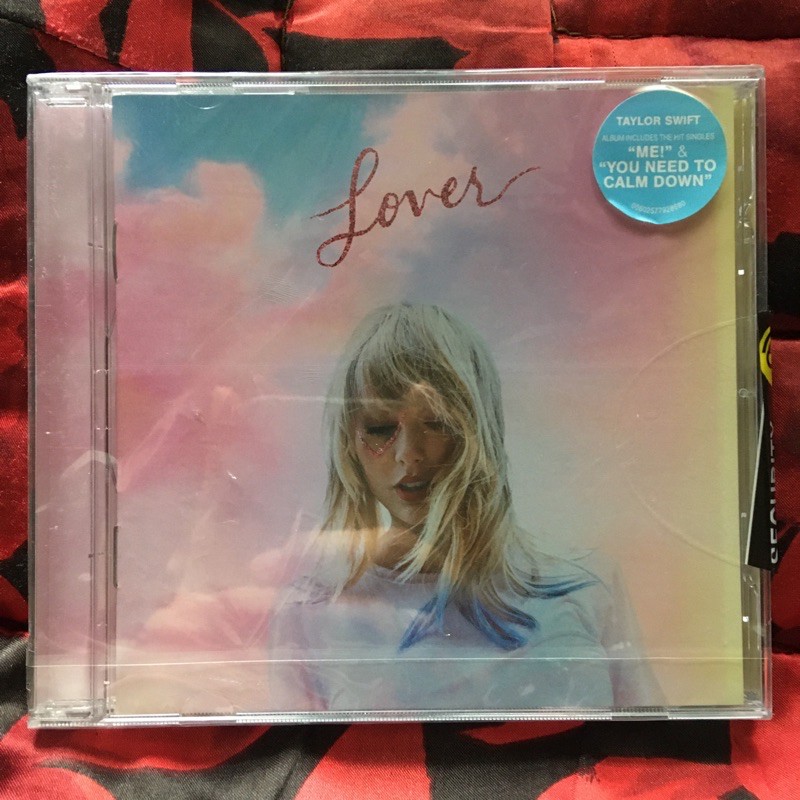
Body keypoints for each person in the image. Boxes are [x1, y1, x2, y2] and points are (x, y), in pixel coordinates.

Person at [268, 304, 662, 712]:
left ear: (478, 425)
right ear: (350, 440)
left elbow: (650, 743)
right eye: (381, 428)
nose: (409, 454)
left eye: (437, 422)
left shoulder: (587, 585)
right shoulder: (309, 613)